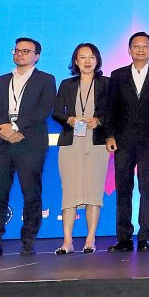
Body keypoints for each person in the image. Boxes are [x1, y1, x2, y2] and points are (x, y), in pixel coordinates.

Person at [0, 37, 57, 257]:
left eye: (26, 51)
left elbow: (44, 109)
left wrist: (15, 126)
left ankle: (28, 240)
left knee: (31, 193)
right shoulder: (1, 80)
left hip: (29, 143)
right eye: (17, 50)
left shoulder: (46, 80)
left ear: (36, 56)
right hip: (1, 143)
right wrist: (4, 127)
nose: (20, 54)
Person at [105, 32, 149, 252]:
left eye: (145, 46)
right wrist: (110, 135)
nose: (141, 49)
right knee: (124, 189)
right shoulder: (118, 75)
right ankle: (124, 238)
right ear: (129, 50)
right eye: (136, 46)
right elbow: (110, 108)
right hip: (123, 141)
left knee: (147, 189)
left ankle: (144, 238)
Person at [52, 42, 109, 254]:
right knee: (70, 193)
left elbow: (114, 111)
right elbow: (56, 112)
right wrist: (70, 119)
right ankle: (67, 241)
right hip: (71, 143)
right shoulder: (66, 84)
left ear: (97, 60)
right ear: (75, 61)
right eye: (83, 57)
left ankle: (90, 239)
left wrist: (100, 121)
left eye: (92, 57)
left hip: (97, 143)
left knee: (94, 192)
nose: (87, 61)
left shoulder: (107, 83)